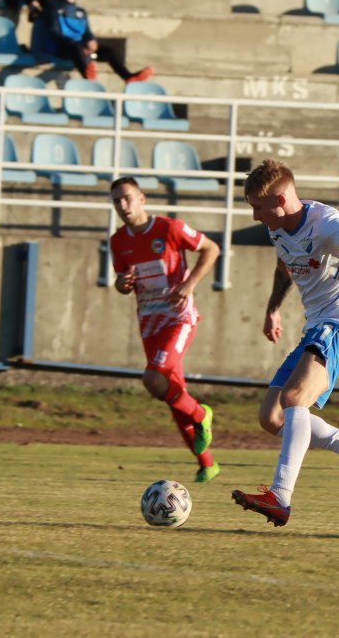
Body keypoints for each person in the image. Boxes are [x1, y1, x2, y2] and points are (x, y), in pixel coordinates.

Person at [230, 159, 339, 527]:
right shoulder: (277, 228)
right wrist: (273, 308)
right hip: (316, 327)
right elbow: (285, 265)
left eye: (258, 206)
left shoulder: (324, 222)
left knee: (293, 401)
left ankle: (280, 497)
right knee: (272, 418)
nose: (255, 215)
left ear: (282, 198)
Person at [109, 177, 222, 483]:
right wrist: (121, 284)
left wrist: (189, 284)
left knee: (153, 379)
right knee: (172, 395)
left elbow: (211, 249)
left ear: (142, 198)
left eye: (127, 198)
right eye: (116, 201)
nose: (122, 206)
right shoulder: (118, 241)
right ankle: (208, 464)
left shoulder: (169, 228)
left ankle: (202, 415)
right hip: (149, 324)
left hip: (178, 318)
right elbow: (122, 283)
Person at [46, 0, 154, 83]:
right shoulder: (52, 8)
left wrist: (91, 41)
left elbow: (87, 32)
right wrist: (77, 44)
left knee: (110, 52)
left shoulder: (81, 12)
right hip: (62, 49)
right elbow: (53, 32)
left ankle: (128, 77)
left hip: (83, 51)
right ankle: (89, 77)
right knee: (77, 48)